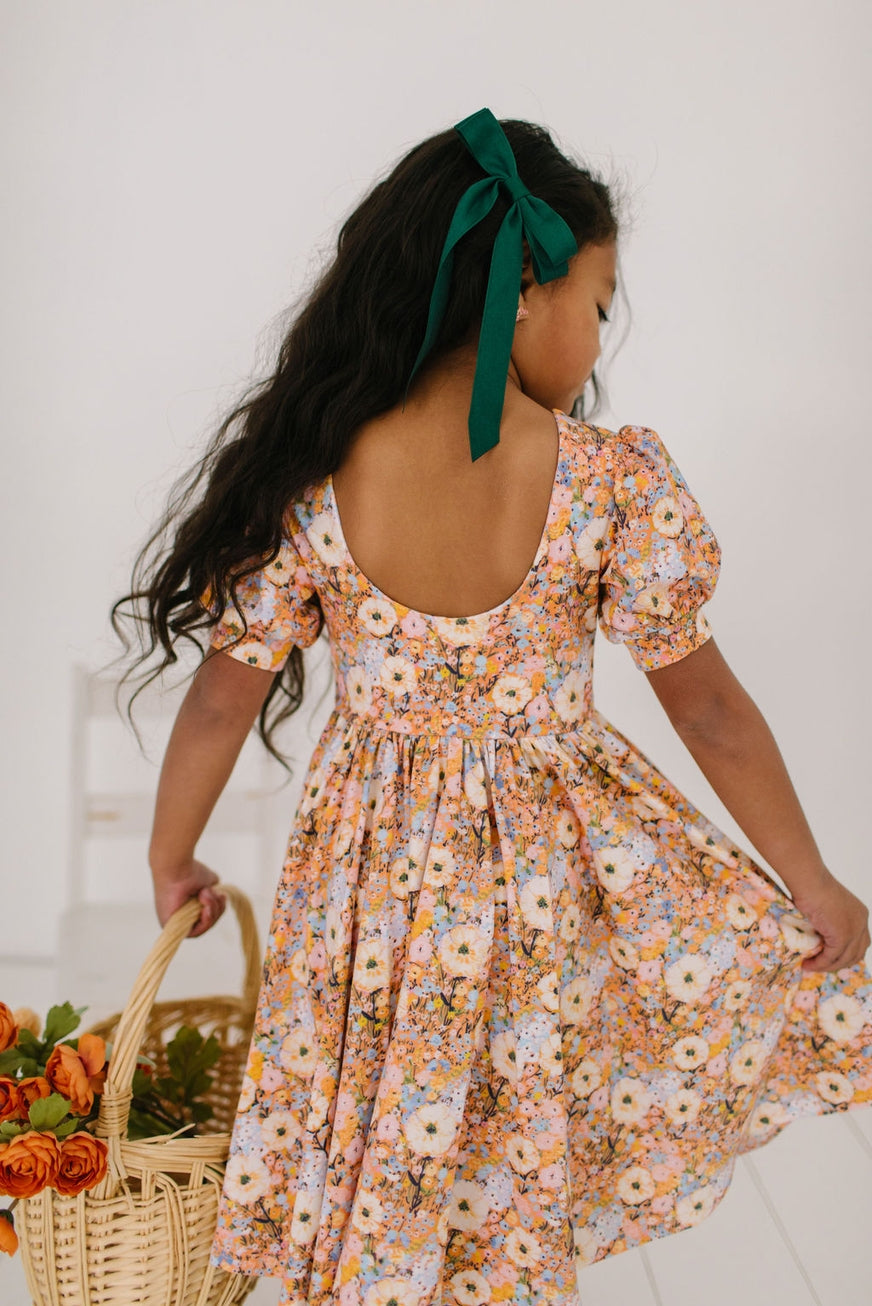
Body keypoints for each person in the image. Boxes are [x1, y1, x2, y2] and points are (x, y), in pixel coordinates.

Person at [111, 108, 871, 1306]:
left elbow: (217, 702)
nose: (600, 334)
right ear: (525, 291)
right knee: (502, 1147)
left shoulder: (313, 471)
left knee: (381, 1138)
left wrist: (172, 854)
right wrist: (809, 880)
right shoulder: (606, 482)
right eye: (600, 301)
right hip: (534, 885)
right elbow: (709, 711)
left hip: (364, 887)